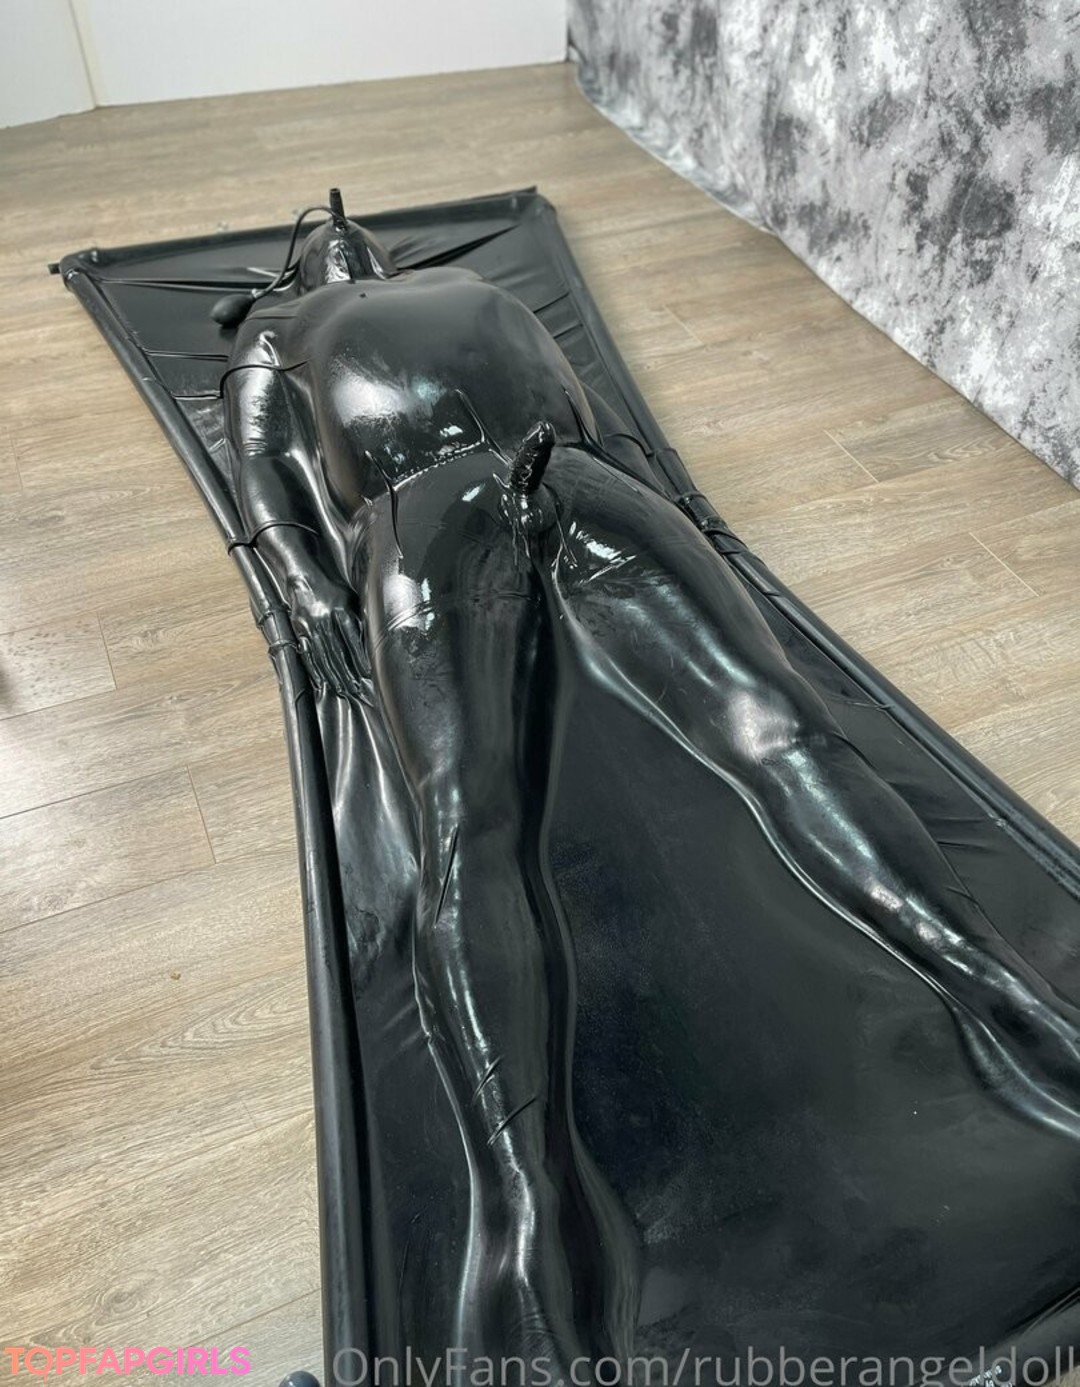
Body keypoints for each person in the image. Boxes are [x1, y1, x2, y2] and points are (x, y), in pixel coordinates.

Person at [221, 199, 1080, 1369]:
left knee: (786, 730)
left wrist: (675, 505)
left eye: (351, 225)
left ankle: (1015, 1002)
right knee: (469, 819)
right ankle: (527, 1207)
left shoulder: (454, 290)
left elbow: (582, 400)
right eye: (320, 234)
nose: (342, 227)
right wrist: (312, 592)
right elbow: (266, 481)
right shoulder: (278, 330)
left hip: (576, 478)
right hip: (418, 514)